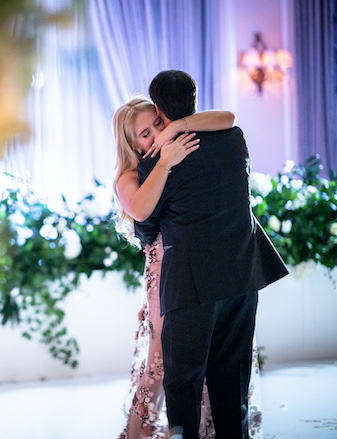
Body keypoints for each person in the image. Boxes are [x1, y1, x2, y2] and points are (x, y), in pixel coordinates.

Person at [133, 70, 289, 439]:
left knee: (183, 381)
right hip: (241, 272)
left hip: (191, 283)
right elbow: (228, 118)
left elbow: (146, 226)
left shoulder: (155, 161)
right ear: (195, 98)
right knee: (231, 379)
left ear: (158, 108)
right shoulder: (233, 138)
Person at [113, 97, 263, 438]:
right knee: (164, 364)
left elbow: (227, 116)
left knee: (211, 359)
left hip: (204, 272)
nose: (156, 135)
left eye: (159, 124)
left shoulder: (179, 147)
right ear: (131, 143)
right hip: (167, 274)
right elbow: (141, 210)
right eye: (145, 133)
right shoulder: (129, 176)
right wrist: (165, 162)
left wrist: (179, 129)